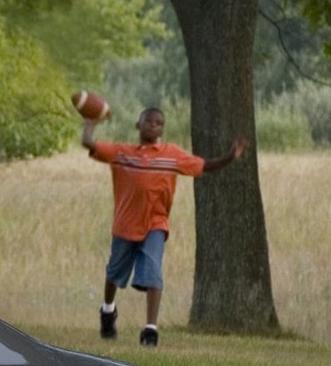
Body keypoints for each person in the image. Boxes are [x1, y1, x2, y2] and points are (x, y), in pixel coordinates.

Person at [82, 105, 247, 345]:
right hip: (125, 224)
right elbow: (89, 143)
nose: (153, 125)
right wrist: (90, 121)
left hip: (155, 224)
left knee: (153, 272)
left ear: (163, 129)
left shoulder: (172, 155)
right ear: (138, 126)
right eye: (148, 121)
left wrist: (231, 156)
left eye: (158, 123)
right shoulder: (122, 153)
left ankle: (150, 329)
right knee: (115, 272)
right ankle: (108, 310)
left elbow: (204, 165)